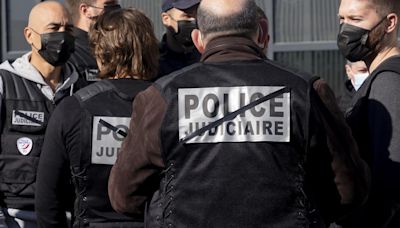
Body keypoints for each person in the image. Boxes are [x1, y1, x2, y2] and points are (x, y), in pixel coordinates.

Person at [108, 0, 369, 227]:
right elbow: (348, 191)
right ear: (261, 32)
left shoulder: (161, 97)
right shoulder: (306, 91)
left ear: (199, 40)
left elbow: (124, 196)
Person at [35, 8, 159, 228]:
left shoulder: (72, 108)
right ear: (150, 48)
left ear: (100, 52)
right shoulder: (169, 105)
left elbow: (47, 199)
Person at [0, 1, 79, 227]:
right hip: (15, 216)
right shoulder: (5, 82)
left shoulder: (82, 89)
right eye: (54, 29)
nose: (62, 36)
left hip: (68, 216)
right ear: (29, 35)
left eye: (68, 29)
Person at [337, 0, 400, 227]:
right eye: (341, 20)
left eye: (356, 20)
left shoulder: (389, 82)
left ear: (389, 23)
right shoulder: (380, 78)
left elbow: (391, 179)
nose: (345, 29)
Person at [65, 0, 119, 84]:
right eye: (108, 5)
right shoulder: (70, 54)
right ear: (85, 10)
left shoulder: (117, 45)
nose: (116, 11)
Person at [157, 0, 201, 78]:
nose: (194, 21)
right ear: (166, 19)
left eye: (197, 15)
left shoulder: (205, 57)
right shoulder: (154, 62)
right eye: (187, 16)